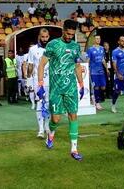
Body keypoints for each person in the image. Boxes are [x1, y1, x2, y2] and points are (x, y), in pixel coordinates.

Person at [37, 19, 85, 161]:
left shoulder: (76, 47)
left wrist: (81, 84)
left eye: (72, 34)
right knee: (56, 119)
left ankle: (74, 149)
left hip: (70, 88)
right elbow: (41, 65)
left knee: (73, 115)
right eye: (68, 33)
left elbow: (77, 66)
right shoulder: (53, 45)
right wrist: (40, 84)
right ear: (63, 30)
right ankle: (50, 134)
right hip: (56, 89)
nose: (70, 36)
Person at [27, 28, 50, 138]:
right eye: (43, 37)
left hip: (51, 81)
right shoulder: (32, 49)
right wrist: (28, 79)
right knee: (40, 103)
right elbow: (30, 65)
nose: (45, 39)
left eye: (46, 37)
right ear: (39, 37)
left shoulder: (52, 48)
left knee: (49, 103)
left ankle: (46, 126)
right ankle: (40, 129)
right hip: (38, 81)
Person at [86, 35, 109, 110]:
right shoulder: (90, 49)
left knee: (103, 87)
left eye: (99, 38)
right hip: (93, 71)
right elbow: (88, 60)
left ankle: (93, 97)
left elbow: (103, 59)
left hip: (101, 71)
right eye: (96, 39)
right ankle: (97, 102)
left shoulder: (102, 48)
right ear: (94, 40)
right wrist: (87, 68)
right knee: (96, 87)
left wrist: (107, 69)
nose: (98, 40)